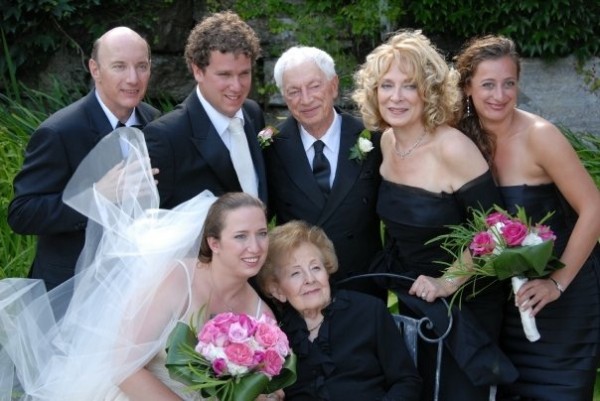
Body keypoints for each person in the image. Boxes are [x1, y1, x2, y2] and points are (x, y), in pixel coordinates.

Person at [0, 128, 281, 401]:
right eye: (241, 236)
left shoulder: (262, 315)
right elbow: (124, 368)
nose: (255, 247)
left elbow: (259, 385)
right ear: (214, 243)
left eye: (262, 233)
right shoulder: (177, 278)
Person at [352, 30, 516, 401]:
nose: (396, 97)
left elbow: (499, 229)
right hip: (415, 297)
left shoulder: (451, 148)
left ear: (429, 91)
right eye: (386, 85)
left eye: (409, 85)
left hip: (464, 302)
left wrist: (447, 282)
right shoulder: (387, 142)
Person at [454, 35, 600, 401]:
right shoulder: (460, 139)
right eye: (488, 84)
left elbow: (594, 208)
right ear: (468, 87)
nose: (499, 95)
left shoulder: (540, 136)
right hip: (505, 305)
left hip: (565, 298)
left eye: (509, 83)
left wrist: (556, 284)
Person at [7, 27, 160, 290]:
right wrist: (96, 198)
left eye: (141, 66)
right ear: (95, 69)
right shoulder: (59, 132)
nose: (133, 78)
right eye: (119, 66)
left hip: (137, 284)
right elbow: (22, 213)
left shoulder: (155, 122)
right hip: (71, 288)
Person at [265, 45, 384, 298]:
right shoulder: (270, 148)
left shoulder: (374, 137)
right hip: (301, 293)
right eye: (294, 91)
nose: (306, 99)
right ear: (284, 97)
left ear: (333, 86)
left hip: (364, 287)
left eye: (314, 86)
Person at [257, 220, 422, 401]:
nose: (310, 279)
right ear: (277, 291)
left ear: (327, 271)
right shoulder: (275, 336)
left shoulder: (368, 311)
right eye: (296, 273)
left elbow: (407, 382)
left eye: (315, 267)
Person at [144, 11, 268, 208]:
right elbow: (152, 219)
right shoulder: (166, 137)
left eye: (244, 73)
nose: (237, 86)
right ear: (198, 71)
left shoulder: (253, 113)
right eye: (225, 75)